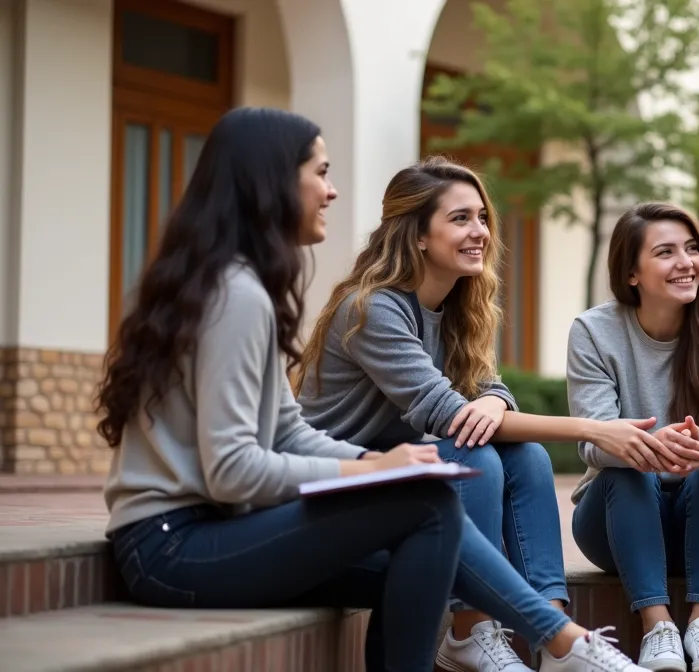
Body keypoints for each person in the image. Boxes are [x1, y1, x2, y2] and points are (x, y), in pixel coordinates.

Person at [96, 107, 465, 672]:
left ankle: (555, 635)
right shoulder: (236, 294)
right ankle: (558, 639)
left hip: (199, 535)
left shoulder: (230, 284)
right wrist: (367, 475)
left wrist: (377, 459)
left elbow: (287, 429)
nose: (332, 191)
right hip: (172, 548)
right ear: (271, 180)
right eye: (320, 172)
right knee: (427, 504)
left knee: (421, 537)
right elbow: (235, 469)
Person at [293, 156, 658, 672]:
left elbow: (486, 390)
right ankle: (470, 631)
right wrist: (594, 428)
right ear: (417, 234)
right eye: (460, 218)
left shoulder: (459, 305)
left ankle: (553, 640)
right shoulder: (372, 307)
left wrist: (493, 399)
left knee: (526, 457)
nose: (480, 231)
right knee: (474, 456)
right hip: (337, 487)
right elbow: (448, 416)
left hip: (400, 477)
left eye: (482, 217)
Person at [567, 202, 699, 672]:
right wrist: (648, 450)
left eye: (692, 249)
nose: (686, 262)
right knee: (626, 469)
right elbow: (592, 441)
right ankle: (657, 630)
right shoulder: (593, 331)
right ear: (632, 272)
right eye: (666, 252)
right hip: (617, 524)